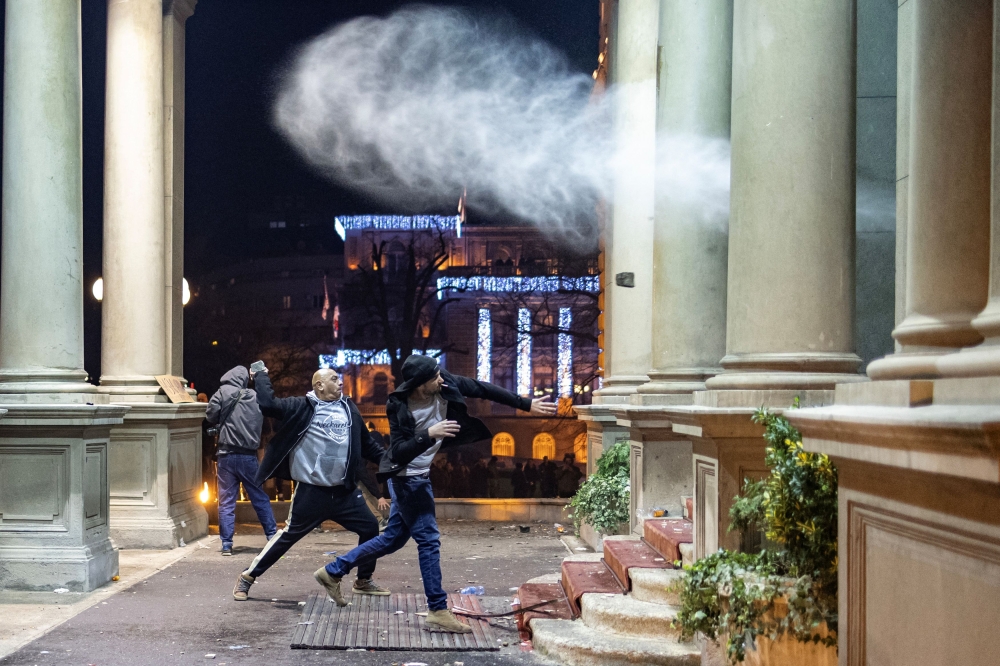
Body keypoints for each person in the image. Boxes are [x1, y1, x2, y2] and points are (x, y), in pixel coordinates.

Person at [323, 355, 557, 633]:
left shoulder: (445, 383)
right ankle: (437, 609)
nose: (442, 380)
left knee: (393, 539)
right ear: (421, 384)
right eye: (435, 378)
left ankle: (333, 570)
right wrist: (429, 433)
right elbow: (396, 452)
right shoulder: (397, 405)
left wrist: (526, 404)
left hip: (419, 476)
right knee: (429, 540)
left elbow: (482, 387)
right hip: (407, 479)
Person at [232, 367, 390, 603]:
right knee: (288, 537)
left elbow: (368, 446)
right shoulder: (302, 406)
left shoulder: (349, 408)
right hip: (312, 492)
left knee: (369, 528)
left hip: (344, 492)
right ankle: (247, 577)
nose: (340, 383)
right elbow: (268, 404)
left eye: (340, 378)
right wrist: (261, 375)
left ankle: (363, 580)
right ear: (319, 385)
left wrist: (394, 462)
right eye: (334, 379)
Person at [206, 367, 277, 556]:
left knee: (226, 501)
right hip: (248, 456)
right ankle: (272, 536)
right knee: (259, 497)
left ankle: (227, 544)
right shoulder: (255, 396)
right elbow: (269, 407)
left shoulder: (222, 392)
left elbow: (210, 415)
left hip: (226, 455)